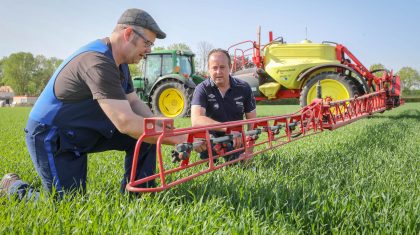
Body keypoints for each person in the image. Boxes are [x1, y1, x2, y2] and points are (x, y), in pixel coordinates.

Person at [1, 8, 187, 200]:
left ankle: (140, 195)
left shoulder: (120, 62)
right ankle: (13, 187)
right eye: (147, 43)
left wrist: (163, 126)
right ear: (128, 34)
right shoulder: (97, 62)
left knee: (145, 134)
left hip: (82, 129)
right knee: (66, 205)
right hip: (52, 134)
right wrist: (176, 139)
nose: (149, 50)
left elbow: (133, 102)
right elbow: (125, 121)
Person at [190, 49, 257, 162]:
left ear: (230, 67)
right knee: (209, 167)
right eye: (214, 68)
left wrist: (249, 152)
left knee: (238, 166)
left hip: (236, 141)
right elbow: (196, 120)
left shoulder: (244, 87)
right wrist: (229, 129)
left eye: (222, 67)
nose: (218, 72)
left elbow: (252, 122)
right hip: (210, 142)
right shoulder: (202, 89)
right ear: (208, 69)